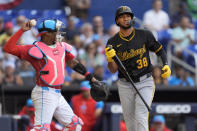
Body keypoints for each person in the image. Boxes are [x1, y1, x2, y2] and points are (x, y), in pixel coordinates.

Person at [3, 19, 98, 131]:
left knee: (75, 124)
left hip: (57, 93)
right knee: (42, 129)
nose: (58, 33)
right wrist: (21, 30)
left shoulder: (61, 46)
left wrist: (89, 76)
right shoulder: (35, 48)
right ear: (47, 33)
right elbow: (8, 48)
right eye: (56, 31)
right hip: (44, 92)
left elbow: (73, 62)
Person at [105, 6, 171, 131]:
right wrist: (110, 59)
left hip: (145, 81)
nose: (126, 19)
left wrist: (166, 64)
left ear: (132, 19)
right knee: (130, 122)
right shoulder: (112, 42)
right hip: (125, 83)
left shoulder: (144, 34)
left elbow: (159, 49)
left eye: (128, 16)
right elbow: (113, 70)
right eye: (123, 17)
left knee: (141, 115)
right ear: (117, 21)